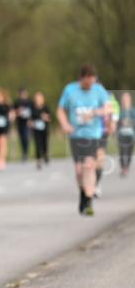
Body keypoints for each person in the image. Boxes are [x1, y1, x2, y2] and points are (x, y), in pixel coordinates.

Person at [57, 65, 112, 216]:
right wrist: (65, 124)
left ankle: (89, 200)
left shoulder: (98, 90)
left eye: (92, 83)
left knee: (89, 165)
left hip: (93, 135)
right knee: (79, 171)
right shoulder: (70, 90)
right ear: (82, 79)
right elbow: (61, 110)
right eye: (88, 84)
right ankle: (83, 193)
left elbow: (109, 108)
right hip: (76, 135)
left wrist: (94, 112)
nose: (90, 87)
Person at [30, 91, 52, 169]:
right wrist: (31, 123)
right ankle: (38, 160)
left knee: (44, 143)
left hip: (44, 128)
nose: (38, 99)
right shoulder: (32, 108)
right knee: (37, 144)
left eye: (40, 98)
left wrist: (45, 117)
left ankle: (45, 154)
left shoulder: (46, 107)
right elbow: (30, 119)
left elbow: (50, 118)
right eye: (37, 98)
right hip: (36, 129)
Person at [12, 88, 34, 163]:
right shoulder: (17, 102)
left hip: (27, 123)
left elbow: (33, 112)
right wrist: (18, 111)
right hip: (20, 123)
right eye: (22, 94)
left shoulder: (30, 102)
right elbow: (13, 112)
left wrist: (31, 120)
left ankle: (26, 153)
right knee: (22, 138)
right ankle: (24, 153)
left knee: (26, 137)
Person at [117, 92, 134, 178]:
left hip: (130, 135)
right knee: (122, 152)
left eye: (127, 99)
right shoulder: (120, 111)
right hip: (121, 134)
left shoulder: (132, 111)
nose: (125, 101)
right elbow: (116, 122)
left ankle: (127, 166)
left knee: (129, 152)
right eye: (124, 99)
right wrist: (121, 122)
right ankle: (123, 168)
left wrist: (130, 122)